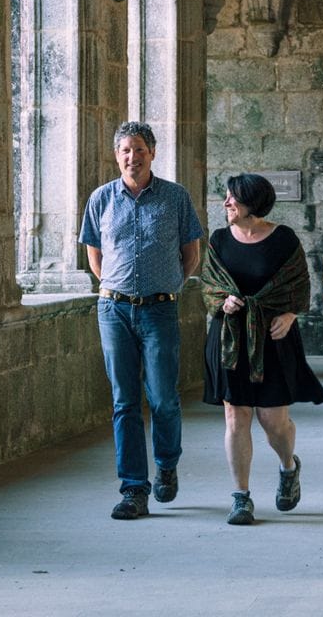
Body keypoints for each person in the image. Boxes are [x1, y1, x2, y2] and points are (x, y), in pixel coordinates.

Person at [79, 121, 203, 521]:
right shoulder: (101, 199)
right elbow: (94, 254)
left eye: (139, 149)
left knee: (164, 396)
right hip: (113, 309)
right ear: (117, 156)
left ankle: (166, 463)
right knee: (124, 401)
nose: (132, 157)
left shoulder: (175, 198)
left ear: (152, 152)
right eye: (125, 150)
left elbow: (191, 254)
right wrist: (115, 287)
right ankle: (134, 488)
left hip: (159, 309)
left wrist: (166, 286)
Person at [200, 173, 323, 526]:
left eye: (232, 199)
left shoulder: (283, 239)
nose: (226, 204)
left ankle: (288, 466)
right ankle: (241, 497)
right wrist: (221, 302)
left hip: (273, 340)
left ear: (251, 204)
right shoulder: (220, 240)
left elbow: (300, 287)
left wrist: (289, 315)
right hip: (230, 341)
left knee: (273, 422)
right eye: (226, 198)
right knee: (235, 417)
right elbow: (208, 285)